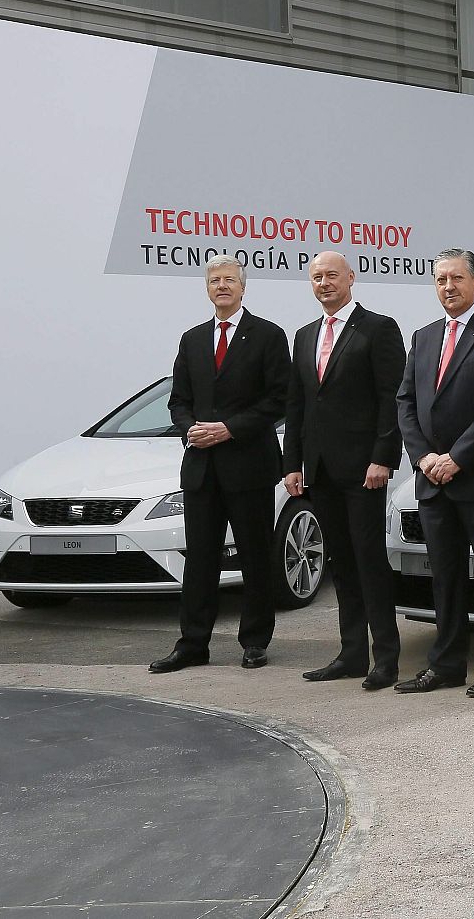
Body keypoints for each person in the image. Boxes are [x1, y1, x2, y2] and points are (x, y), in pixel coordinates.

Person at [393, 248, 474, 697]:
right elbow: (405, 402)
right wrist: (424, 458)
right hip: (433, 481)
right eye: (440, 280)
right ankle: (446, 664)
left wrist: (457, 457)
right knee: (445, 578)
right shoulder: (424, 336)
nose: (448, 287)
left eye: (456, 278)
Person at [150, 255, 291, 673]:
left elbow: (278, 399)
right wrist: (189, 427)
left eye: (230, 280)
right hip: (201, 469)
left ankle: (255, 641)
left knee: (255, 556)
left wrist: (229, 429)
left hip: (249, 465)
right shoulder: (192, 339)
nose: (222, 286)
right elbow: (179, 400)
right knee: (201, 560)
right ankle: (193, 643)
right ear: (207, 288)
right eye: (215, 281)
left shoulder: (267, 335)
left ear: (243, 287)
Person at [283, 251, 406, 692]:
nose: (324, 283)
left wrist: (383, 457)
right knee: (342, 565)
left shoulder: (378, 328)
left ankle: (386, 658)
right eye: (317, 277)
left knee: (370, 562)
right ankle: (351, 654)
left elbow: (391, 398)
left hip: (363, 469)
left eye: (332, 275)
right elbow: (297, 405)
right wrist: (292, 464)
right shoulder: (303, 335)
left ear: (351, 278)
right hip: (319, 469)